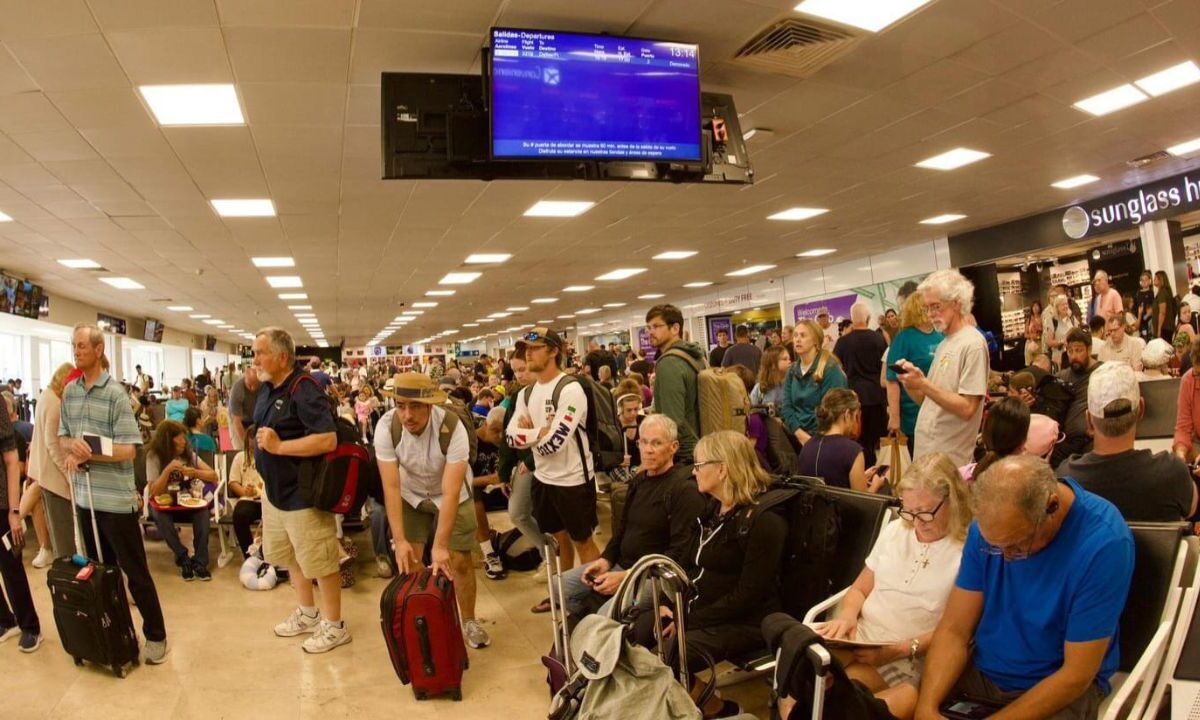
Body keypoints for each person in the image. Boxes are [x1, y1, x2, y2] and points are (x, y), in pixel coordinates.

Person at [913, 456, 1134, 720]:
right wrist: (926, 708)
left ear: (1051, 506)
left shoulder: (1104, 544)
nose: (1005, 557)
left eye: (1017, 545)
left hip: (1054, 686)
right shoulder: (984, 531)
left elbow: (1076, 675)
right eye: (994, 546)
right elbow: (954, 630)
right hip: (983, 673)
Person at [812, 453, 972, 720]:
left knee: (841, 697)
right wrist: (848, 617)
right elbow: (859, 589)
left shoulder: (966, 551)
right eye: (909, 510)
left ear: (952, 500)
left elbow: (956, 629)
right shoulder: (898, 529)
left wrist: (899, 649)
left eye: (926, 512)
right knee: (803, 678)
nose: (917, 521)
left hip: (909, 654)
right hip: (863, 637)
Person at [643, 430, 784, 719]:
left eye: (698, 465)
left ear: (722, 469)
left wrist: (686, 620)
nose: (693, 472)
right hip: (706, 607)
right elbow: (689, 565)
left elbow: (747, 595)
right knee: (639, 629)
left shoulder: (765, 521)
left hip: (746, 619)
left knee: (670, 652)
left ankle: (715, 709)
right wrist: (671, 604)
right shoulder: (714, 512)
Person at [58, 323, 168, 664]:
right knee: (98, 573)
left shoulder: (116, 394)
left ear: (98, 350)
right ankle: (110, 633)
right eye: (73, 346)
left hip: (116, 503)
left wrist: (89, 452)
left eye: (81, 346)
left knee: (134, 572)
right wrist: (70, 449)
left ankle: (156, 634)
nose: (76, 352)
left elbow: (129, 450)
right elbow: (63, 437)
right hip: (84, 499)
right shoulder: (71, 392)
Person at [375, 372, 491, 650]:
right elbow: (390, 487)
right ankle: (422, 618)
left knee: (458, 560)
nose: (407, 415)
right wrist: (399, 540)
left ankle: (469, 620)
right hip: (410, 494)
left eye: (415, 406)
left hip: (452, 493)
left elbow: (451, 492)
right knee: (410, 561)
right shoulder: (385, 428)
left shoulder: (453, 428)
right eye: (401, 406)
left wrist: (440, 545)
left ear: (430, 405)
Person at [251, 327, 347, 655]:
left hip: (302, 495)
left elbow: (328, 439)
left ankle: (335, 626)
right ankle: (308, 612)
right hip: (275, 493)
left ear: (282, 356)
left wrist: (279, 448)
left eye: (260, 352)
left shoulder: (305, 389)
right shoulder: (267, 388)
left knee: (320, 561)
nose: (255, 359)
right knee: (290, 557)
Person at [555, 415, 706, 621]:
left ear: (673, 447)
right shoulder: (639, 481)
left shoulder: (683, 489)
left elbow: (677, 555)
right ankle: (604, 623)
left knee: (601, 615)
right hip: (622, 566)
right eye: (643, 442)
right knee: (559, 586)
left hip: (653, 577)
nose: (648, 449)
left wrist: (628, 578)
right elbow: (621, 531)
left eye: (656, 443)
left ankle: (618, 623)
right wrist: (606, 560)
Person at [507, 327, 603, 580]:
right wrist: (540, 432)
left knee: (583, 541)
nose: (528, 354)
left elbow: (556, 443)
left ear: (554, 351)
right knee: (558, 543)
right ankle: (565, 594)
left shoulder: (570, 389)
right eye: (526, 348)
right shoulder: (526, 394)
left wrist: (528, 437)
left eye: (535, 348)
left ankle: (595, 599)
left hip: (573, 480)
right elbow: (509, 437)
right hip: (544, 478)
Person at [1056, 361, 1196, 522]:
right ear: (1141, 410)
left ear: (1089, 421)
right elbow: (1192, 509)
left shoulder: (1067, 480)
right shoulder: (1172, 472)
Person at [896, 270, 989, 467]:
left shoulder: (972, 344)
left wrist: (924, 384)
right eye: (927, 308)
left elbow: (967, 408)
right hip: (929, 455)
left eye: (936, 306)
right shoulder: (945, 343)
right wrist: (911, 383)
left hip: (950, 460)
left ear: (956, 303)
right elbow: (929, 402)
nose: (930, 315)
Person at [145, 420, 217, 580]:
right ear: (168, 441)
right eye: (180, 439)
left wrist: (194, 473)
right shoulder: (154, 456)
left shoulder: (188, 455)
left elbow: (213, 476)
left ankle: (200, 562)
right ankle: (183, 558)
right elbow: (153, 490)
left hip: (186, 502)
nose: (184, 442)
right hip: (162, 502)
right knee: (160, 517)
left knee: (202, 512)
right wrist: (168, 470)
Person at [0, 386, 41, 652]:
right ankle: (6, 620)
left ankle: (30, 626)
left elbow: (12, 462)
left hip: (2, 502)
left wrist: (15, 510)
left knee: (11, 565)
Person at [24, 363, 75, 560]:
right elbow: (53, 444)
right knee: (63, 535)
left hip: (41, 467)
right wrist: (68, 474)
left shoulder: (45, 396)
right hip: (52, 473)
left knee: (39, 505)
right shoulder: (55, 403)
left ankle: (45, 549)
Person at [886, 292, 944, 456]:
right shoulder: (904, 338)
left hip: (940, 410)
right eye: (927, 307)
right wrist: (895, 417)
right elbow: (891, 380)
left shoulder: (939, 335)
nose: (932, 311)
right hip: (913, 415)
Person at [646, 304, 705, 462]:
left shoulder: (669, 363)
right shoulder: (695, 356)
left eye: (656, 326)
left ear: (675, 328)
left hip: (685, 455)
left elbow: (672, 423)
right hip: (704, 445)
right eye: (648, 327)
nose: (650, 332)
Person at [797, 388, 886, 493]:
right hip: (841, 508)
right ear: (848, 415)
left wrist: (862, 477)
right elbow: (863, 502)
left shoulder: (807, 445)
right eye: (856, 416)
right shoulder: (853, 451)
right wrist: (876, 485)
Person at [834, 302, 889, 466]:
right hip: (877, 396)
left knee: (859, 441)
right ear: (868, 318)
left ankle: (863, 475)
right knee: (879, 442)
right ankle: (881, 474)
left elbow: (836, 366)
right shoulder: (878, 339)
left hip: (854, 398)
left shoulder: (843, 342)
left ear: (851, 318)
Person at [782, 319, 847, 446]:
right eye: (795, 335)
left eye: (803, 335)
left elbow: (831, 410)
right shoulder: (791, 370)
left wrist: (810, 437)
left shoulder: (830, 369)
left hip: (825, 437)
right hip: (796, 435)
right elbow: (786, 407)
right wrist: (799, 432)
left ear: (816, 341)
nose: (797, 339)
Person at [1053, 328, 1099, 466]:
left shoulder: (1101, 373)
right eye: (1070, 351)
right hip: (1064, 442)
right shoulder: (1062, 376)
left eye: (1078, 350)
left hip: (1091, 441)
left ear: (1089, 350)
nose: (1073, 356)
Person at [228, 425, 265, 558]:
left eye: (254, 447)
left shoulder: (270, 457)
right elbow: (233, 482)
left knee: (273, 518)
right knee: (239, 515)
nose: (252, 450)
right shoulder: (239, 457)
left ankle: (268, 557)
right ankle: (249, 555)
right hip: (248, 500)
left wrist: (262, 488)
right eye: (250, 447)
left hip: (267, 500)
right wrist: (244, 491)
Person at [227, 365, 261, 452]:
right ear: (244, 379)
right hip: (238, 420)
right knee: (242, 449)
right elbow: (237, 423)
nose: (253, 389)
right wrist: (247, 443)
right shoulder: (237, 390)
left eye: (255, 385)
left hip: (253, 417)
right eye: (250, 385)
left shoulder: (263, 384)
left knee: (259, 447)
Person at [750, 344, 791, 413]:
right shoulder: (760, 387)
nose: (789, 361)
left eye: (789, 359)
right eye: (784, 359)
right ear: (773, 364)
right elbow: (751, 409)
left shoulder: (791, 384)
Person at [1043, 293, 1076, 368]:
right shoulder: (1052, 321)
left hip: (1072, 355)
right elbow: (1049, 342)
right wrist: (1062, 341)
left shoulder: (1072, 319)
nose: (1065, 306)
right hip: (1059, 358)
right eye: (1062, 305)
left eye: (1066, 304)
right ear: (1057, 307)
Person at [1154, 270, 1177, 342]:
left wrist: (1159, 329)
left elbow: (1162, 312)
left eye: (1155, 278)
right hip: (1167, 327)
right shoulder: (1164, 291)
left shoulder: (1162, 293)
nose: (1153, 280)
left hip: (1165, 327)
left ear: (1160, 280)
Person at [1133, 271, 1155, 341]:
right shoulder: (1137, 294)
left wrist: (1150, 313)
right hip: (1141, 323)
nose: (1144, 281)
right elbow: (1135, 308)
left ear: (1149, 281)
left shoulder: (1152, 293)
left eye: (1146, 279)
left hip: (1151, 322)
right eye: (1142, 280)